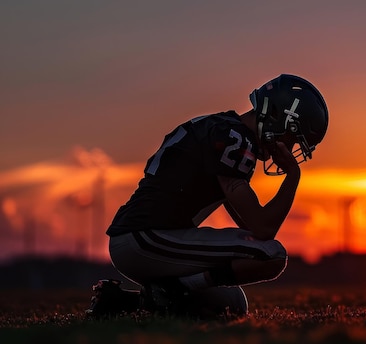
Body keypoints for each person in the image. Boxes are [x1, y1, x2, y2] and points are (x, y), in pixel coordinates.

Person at [86, 74, 329, 319]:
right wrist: (293, 177)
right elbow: (264, 229)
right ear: (279, 118)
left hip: (144, 238)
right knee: (271, 255)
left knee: (230, 304)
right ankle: (175, 289)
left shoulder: (223, 129)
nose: (291, 148)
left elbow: (250, 227)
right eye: (294, 139)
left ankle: (120, 302)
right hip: (145, 238)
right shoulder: (234, 139)